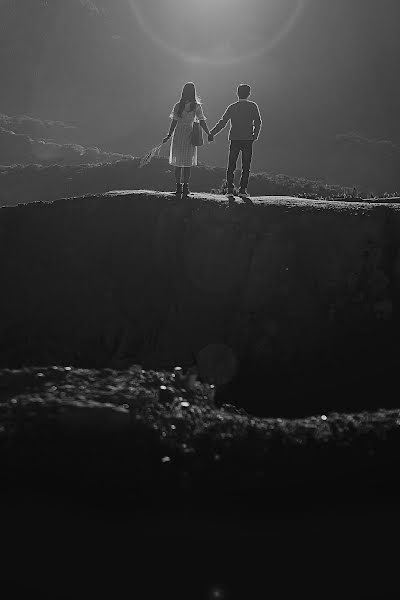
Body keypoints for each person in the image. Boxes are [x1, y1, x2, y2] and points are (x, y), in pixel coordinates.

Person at [208, 84, 262, 199]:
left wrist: (212, 133)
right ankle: (243, 190)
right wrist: (255, 135)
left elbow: (223, 122)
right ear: (249, 94)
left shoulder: (232, 107)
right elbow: (258, 121)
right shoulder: (253, 106)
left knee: (231, 165)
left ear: (237, 93)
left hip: (234, 139)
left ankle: (230, 190)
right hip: (248, 139)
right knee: (246, 166)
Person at [163, 82, 211, 198]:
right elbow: (202, 121)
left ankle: (178, 187)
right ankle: (186, 187)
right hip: (190, 134)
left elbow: (174, 122)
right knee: (187, 162)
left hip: (178, 134)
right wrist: (208, 133)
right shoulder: (196, 106)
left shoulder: (178, 105)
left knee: (178, 162)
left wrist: (169, 135)